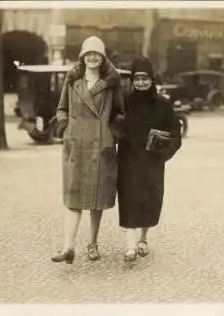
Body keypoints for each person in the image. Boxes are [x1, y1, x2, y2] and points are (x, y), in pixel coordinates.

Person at [51, 36, 125, 264]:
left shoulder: (111, 82)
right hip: (76, 145)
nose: (92, 57)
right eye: (88, 54)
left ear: (102, 58)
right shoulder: (72, 80)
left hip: (99, 146)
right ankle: (68, 247)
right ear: (82, 56)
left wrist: (110, 133)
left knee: (96, 199)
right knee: (73, 198)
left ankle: (92, 243)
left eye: (97, 54)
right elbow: (61, 108)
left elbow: (120, 114)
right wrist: (66, 128)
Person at [117, 56, 182, 262]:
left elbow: (174, 132)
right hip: (128, 159)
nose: (141, 83)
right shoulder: (124, 101)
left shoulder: (163, 104)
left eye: (145, 79)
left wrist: (164, 152)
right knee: (128, 199)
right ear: (132, 80)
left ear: (152, 80)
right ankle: (130, 246)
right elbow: (113, 124)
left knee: (149, 200)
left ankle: (143, 239)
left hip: (153, 160)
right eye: (137, 79)